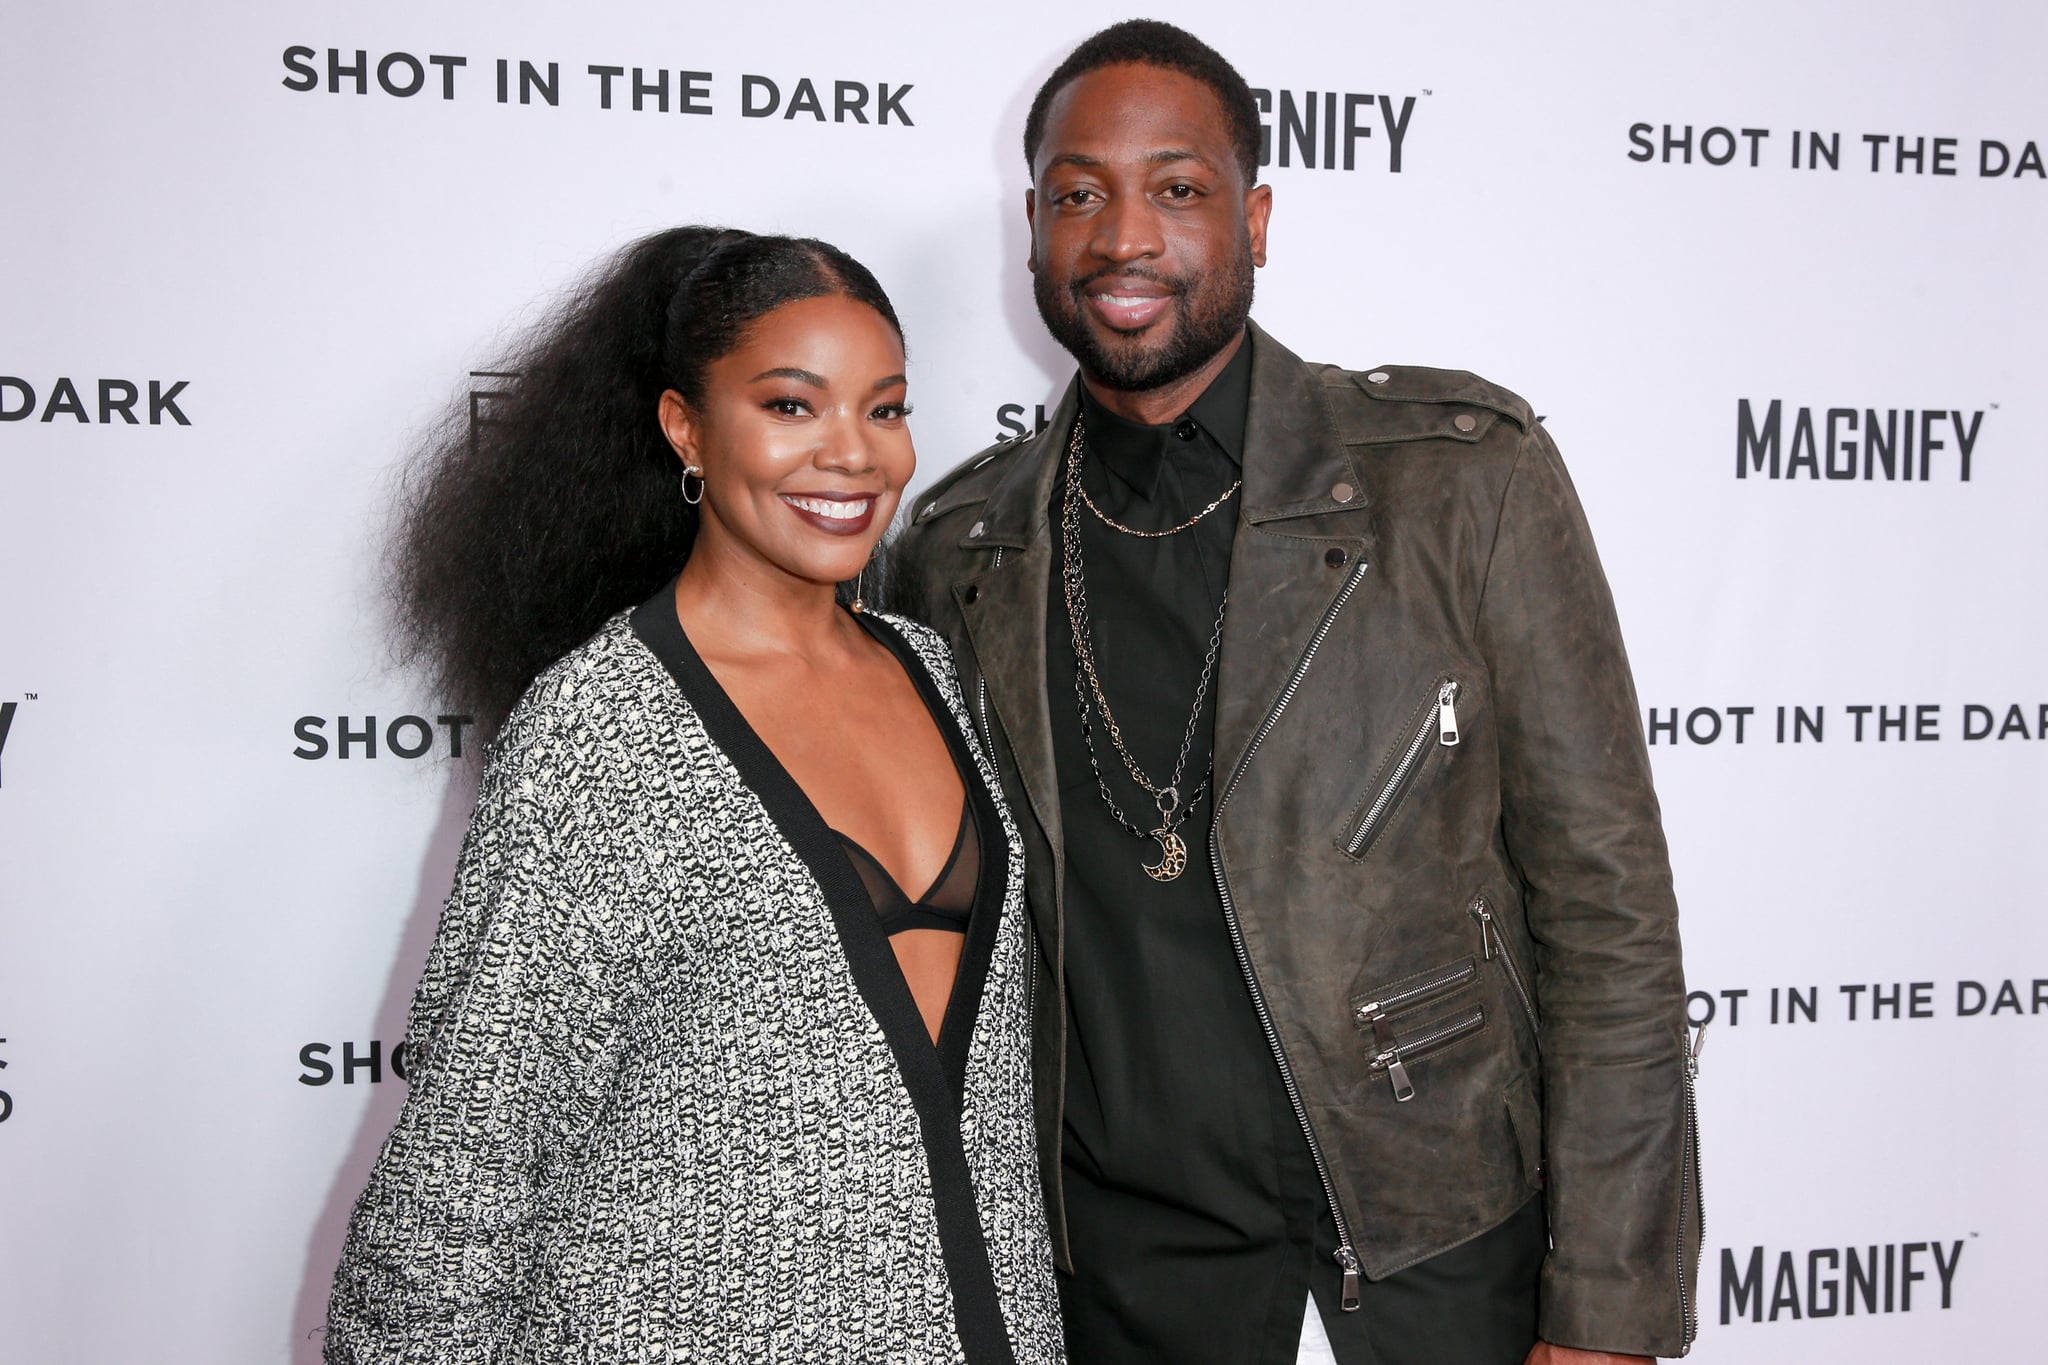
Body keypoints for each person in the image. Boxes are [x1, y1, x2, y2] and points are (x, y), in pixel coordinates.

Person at [889, 21, 1700, 1365]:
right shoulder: (967, 550)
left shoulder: (1458, 485)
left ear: (1256, 219)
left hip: (1431, 1265)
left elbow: (1609, 907)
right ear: (1030, 230)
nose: (1123, 237)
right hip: (1119, 1293)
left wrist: (1611, 1306)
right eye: (1078, 194)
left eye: (1179, 189)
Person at [323, 227, 1062, 1364]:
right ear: (686, 428)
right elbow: (464, 1170)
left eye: (885, 408)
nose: (852, 455)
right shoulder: (599, 732)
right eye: (790, 406)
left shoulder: (937, 671)